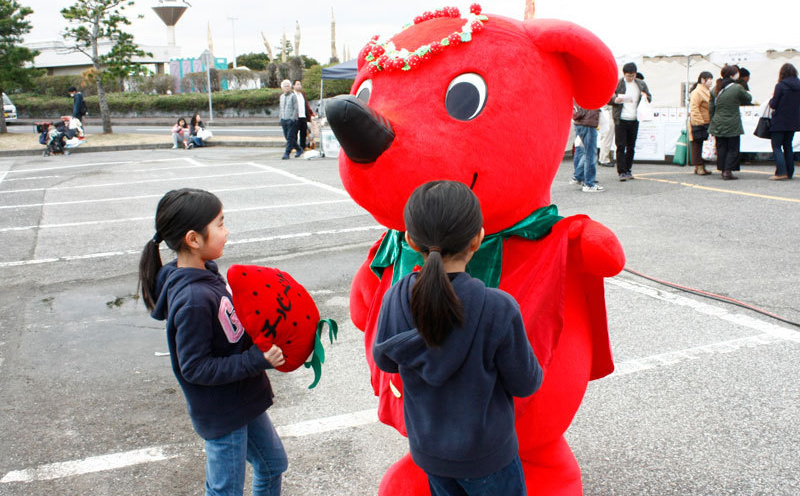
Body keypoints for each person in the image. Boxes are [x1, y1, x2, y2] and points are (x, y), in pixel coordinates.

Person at [373, 180, 543, 496]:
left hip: (429, 453)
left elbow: (385, 360)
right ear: (478, 238)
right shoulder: (497, 307)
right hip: (488, 457)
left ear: (410, 240)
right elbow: (526, 382)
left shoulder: (396, 296)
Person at [138, 188, 288, 496]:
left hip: (243, 398)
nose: (226, 231)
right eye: (219, 224)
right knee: (225, 491)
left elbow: (227, 331)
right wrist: (256, 360)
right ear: (193, 239)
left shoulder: (206, 274)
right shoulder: (193, 299)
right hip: (223, 414)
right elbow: (195, 367)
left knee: (273, 464)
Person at [610, 62, 652, 181]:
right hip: (620, 119)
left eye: (632, 75)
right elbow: (609, 97)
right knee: (620, 146)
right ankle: (621, 171)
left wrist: (645, 96)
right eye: (628, 76)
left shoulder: (641, 84)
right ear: (624, 74)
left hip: (635, 118)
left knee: (631, 146)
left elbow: (649, 97)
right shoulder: (618, 83)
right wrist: (615, 100)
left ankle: (628, 169)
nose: (630, 78)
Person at [709, 65, 752, 180]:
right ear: (733, 75)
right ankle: (728, 170)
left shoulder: (715, 88)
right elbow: (748, 98)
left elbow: (711, 108)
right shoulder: (737, 88)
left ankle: (723, 169)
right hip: (732, 122)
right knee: (732, 148)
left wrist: (712, 121)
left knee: (721, 147)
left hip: (718, 122)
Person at [767, 63, 800, 180]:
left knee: (776, 146)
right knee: (788, 146)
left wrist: (771, 100)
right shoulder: (798, 85)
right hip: (793, 120)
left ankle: (781, 172)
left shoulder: (780, 86)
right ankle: (789, 172)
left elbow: (773, 104)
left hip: (780, 120)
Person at [571, 103, 604, 191]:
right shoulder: (593, 91)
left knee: (581, 150)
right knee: (590, 154)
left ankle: (578, 176)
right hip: (588, 122)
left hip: (579, 121)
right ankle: (589, 183)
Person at [689, 71, 714, 175]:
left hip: (706, 121)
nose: (711, 82)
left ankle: (702, 165)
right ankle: (698, 166)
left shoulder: (706, 91)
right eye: (709, 80)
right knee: (697, 144)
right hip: (699, 121)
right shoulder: (697, 92)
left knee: (703, 145)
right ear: (703, 80)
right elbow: (694, 108)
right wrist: (699, 122)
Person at [279, 80, 300, 159]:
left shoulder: (293, 96)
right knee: (287, 137)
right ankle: (298, 149)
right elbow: (281, 108)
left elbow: (295, 108)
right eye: (285, 86)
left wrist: (292, 118)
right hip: (283, 119)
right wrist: (280, 117)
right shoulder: (281, 97)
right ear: (282, 88)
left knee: (290, 137)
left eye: (288, 86)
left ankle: (287, 153)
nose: (287, 87)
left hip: (291, 120)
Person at [293, 80, 316, 151]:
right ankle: (294, 147)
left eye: (300, 84)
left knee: (303, 132)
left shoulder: (302, 94)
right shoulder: (292, 94)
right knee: (294, 132)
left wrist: (311, 113)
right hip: (295, 116)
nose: (299, 86)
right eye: (297, 84)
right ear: (293, 86)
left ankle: (303, 146)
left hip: (303, 116)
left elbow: (306, 105)